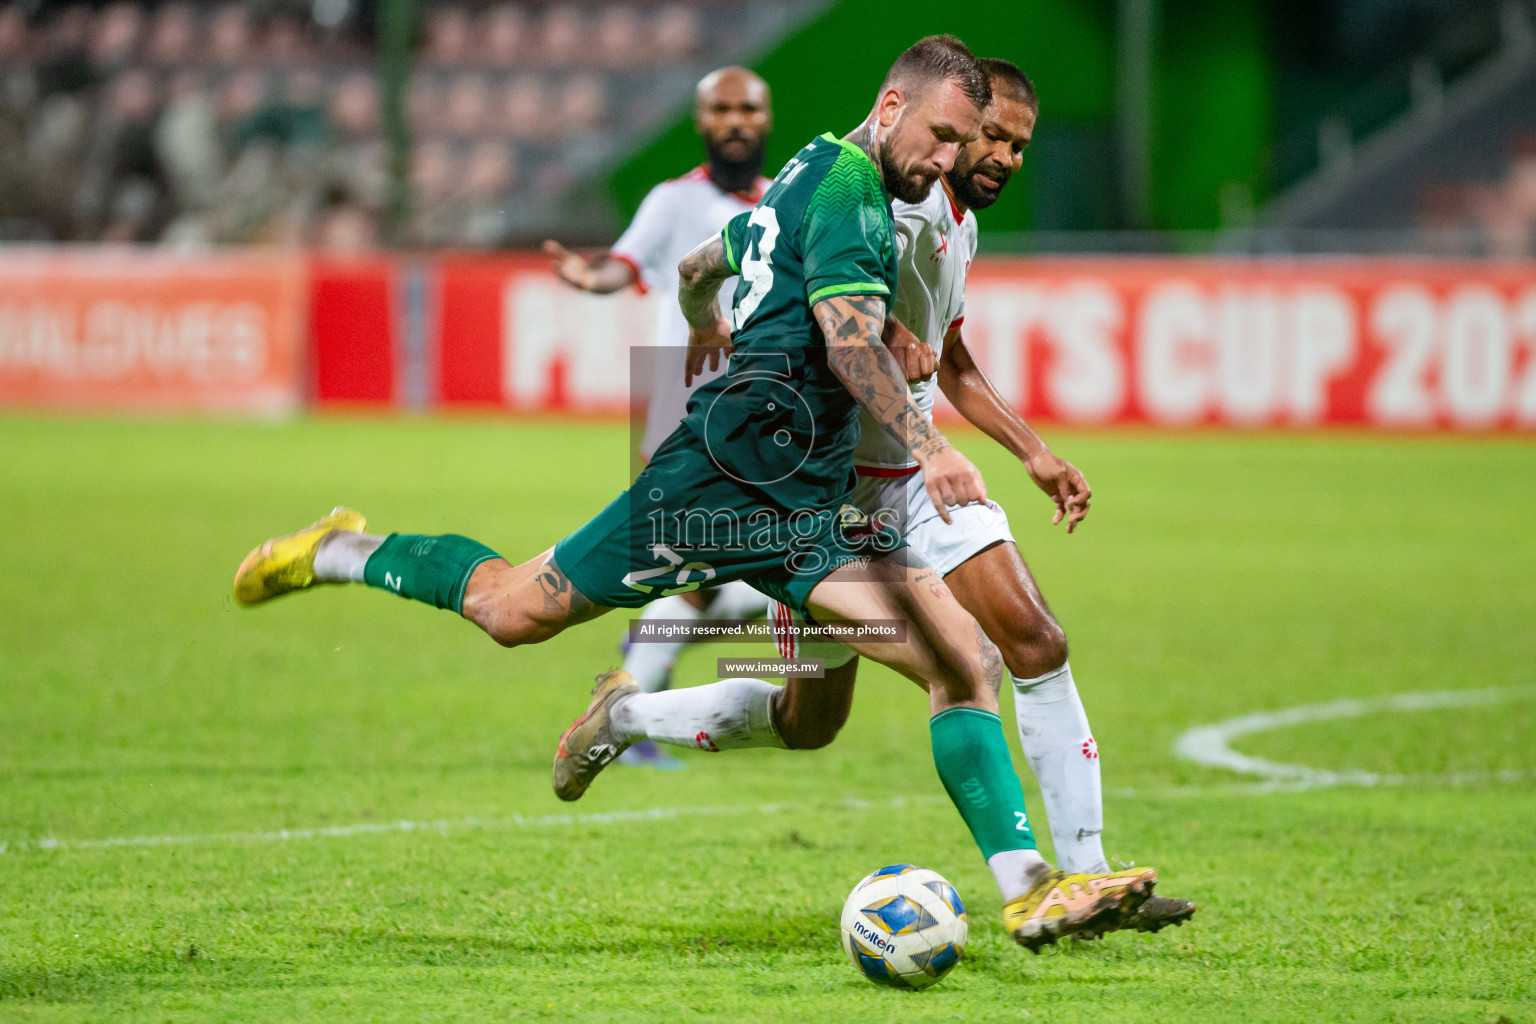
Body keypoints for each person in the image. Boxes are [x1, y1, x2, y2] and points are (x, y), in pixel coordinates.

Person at [234, 36, 1155, 952]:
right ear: (889, 107)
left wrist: (703, 319)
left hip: (814, 507)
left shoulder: (812, 175)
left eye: (965, 144)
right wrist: (930, 446)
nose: (950, 161)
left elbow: (696, 266)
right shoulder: (851, 197)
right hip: (713, 482)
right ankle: (341, 550)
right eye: (944, 137)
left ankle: (1030, 889)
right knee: (513, 611)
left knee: (963, 663)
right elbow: (847, 344)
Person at [557, 58, 1194, 938]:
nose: (999, 156)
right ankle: (629, 713)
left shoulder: (957, 219)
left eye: (1015, 144)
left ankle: (1085, 880)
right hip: (831, 488)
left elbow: (953, 355)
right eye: (986, 137)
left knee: (1033, 640)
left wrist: (1034, 452)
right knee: (807, 718)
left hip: (921, 481)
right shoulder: (880, 193)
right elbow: (795, 279)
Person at [541, 68, 777, 764]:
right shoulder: (675, 200)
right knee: (728, 569)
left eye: (747, 109)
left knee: (736, 576)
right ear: (702, 122)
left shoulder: (783, 203)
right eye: (721, 110)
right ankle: (635, 702)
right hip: (685, 411)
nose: (735, 121)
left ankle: (641, 670)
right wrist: (592, 278)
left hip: (763, 418)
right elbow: (624, 262)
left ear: (766, 118)